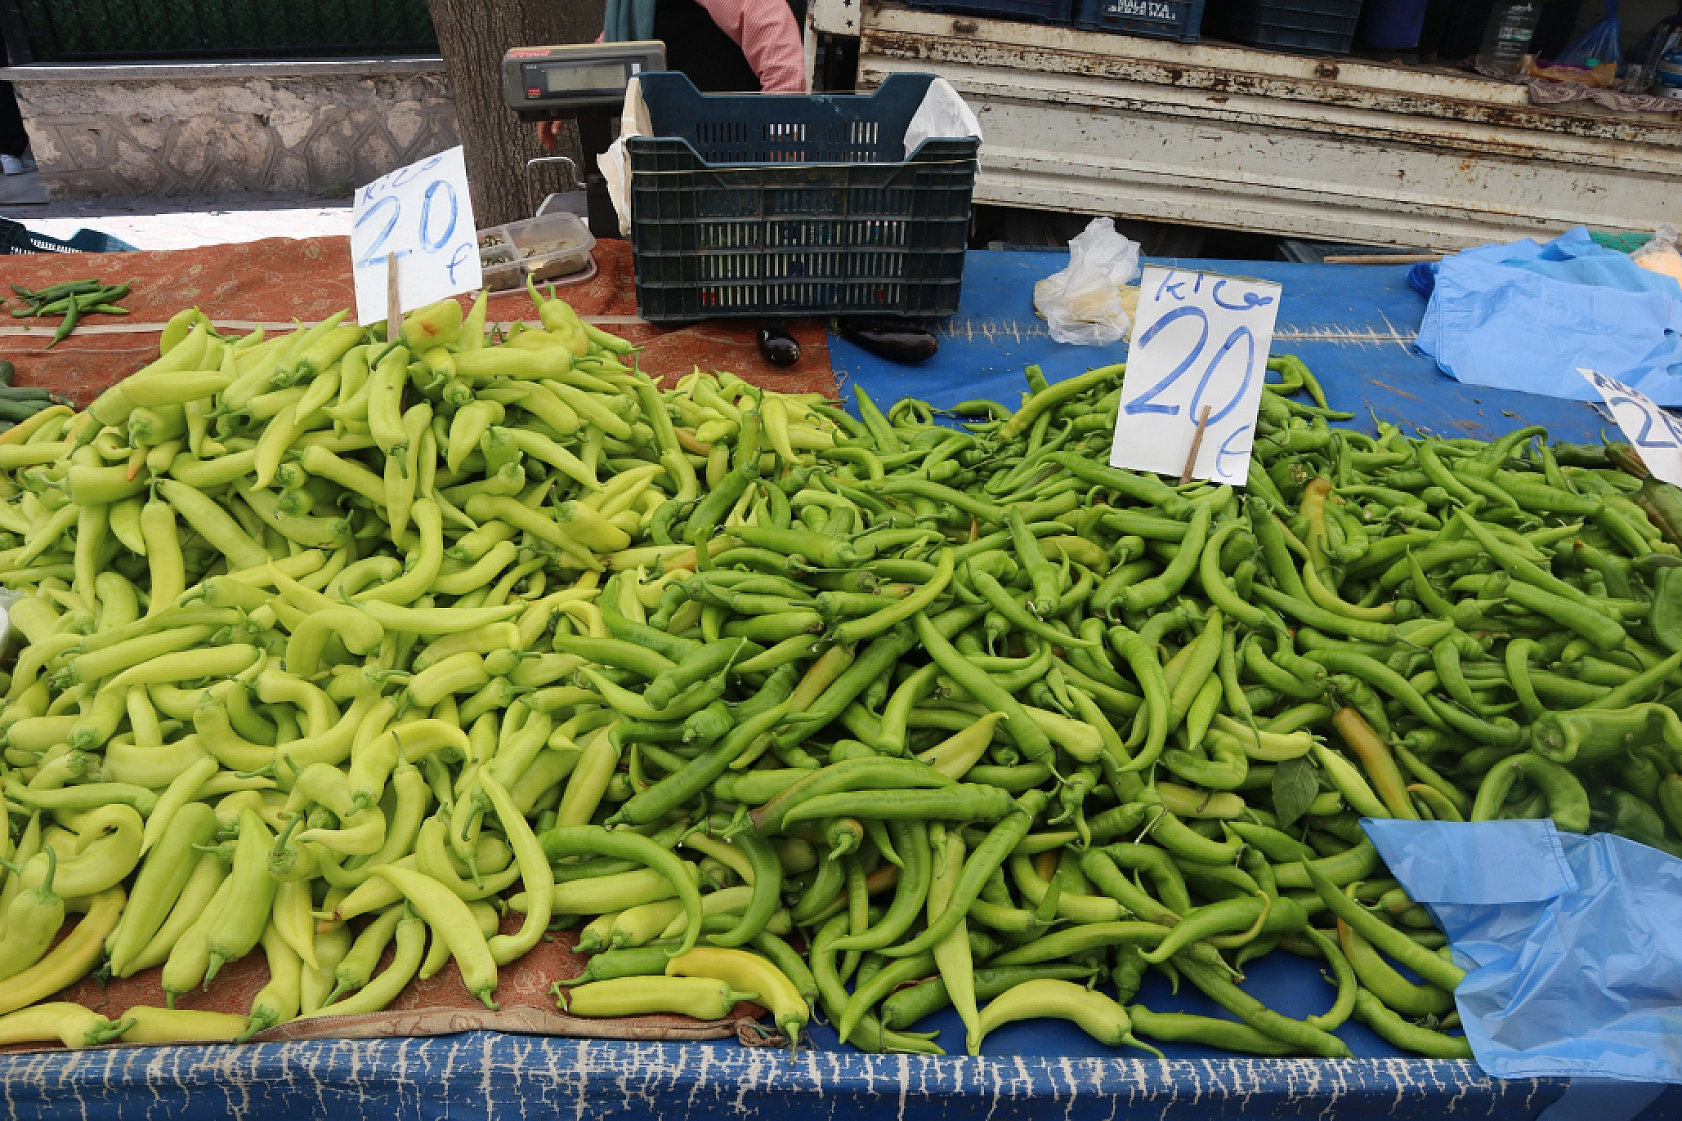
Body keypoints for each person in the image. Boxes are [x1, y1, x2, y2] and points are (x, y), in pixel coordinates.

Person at [538, 0, 806, 150]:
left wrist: (779, 140)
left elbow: (774, 35)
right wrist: (567, 90)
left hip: (729, 150)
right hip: (675, 151)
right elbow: (625, 42)